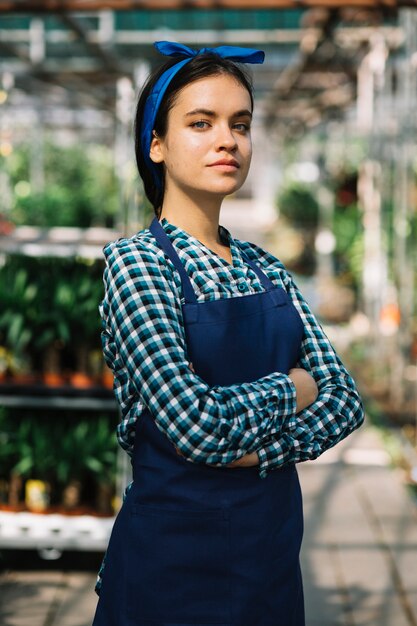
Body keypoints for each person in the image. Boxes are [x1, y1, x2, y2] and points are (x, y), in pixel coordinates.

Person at [92, 41, 364, 626]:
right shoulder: (138, 264)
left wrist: (261, 451)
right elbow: (199, 428)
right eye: (201, 123)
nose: (227, 140)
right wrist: (291, 390)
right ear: (156, 145)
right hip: (169, 577)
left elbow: (344, 401)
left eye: (240, 124)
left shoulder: (266, 268)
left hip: (267, 571)